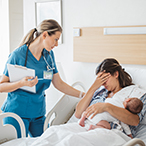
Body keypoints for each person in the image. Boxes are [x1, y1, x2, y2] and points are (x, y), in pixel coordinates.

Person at [28, 58, 146, 146]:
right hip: (86, 125)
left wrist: (106, 107)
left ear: (116, 74)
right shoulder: (101, 91)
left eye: (105, 78)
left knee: (71, 141)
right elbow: (78, 113)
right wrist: (93, 88)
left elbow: (135, 121)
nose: (103, 83)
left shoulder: (135, 93)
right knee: (54, 131)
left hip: (111, 130)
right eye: (100, 80)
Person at [0, 19, 85, 138]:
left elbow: (59, 83)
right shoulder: (18, 55)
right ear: (44, 35)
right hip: (16, 113)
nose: (56, 44)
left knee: (47, 140)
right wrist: (20, 83)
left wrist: (83, 95)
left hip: (38, 113)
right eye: (55, 39)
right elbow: (1, 86)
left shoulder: (49, 56)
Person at [79, 97, 143, 138]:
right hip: (99, 120)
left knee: (86, 112)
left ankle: (83, 118)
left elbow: (108, 99)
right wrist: (129, 135)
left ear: (128, 99)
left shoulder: (116, 100)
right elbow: (125, 125)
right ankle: (94, 127)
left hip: (93, 113)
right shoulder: (122, 114)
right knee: (107, 126)